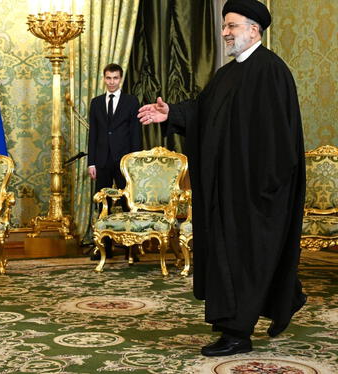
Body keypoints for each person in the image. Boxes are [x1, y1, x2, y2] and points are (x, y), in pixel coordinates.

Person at [138, 0, 306, 357]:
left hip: (255, 192)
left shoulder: (272, 71)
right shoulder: (227, 73)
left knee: (247, 258)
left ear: (254, 30)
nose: (225, 32)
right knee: (231, 258)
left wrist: (262, 186)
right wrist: (172, 114)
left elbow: (280, 137)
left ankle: (238, 333)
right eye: (225, 26)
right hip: (225, 189)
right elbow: (203, 113)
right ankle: (279, 302)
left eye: (232, 26)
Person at [87, 63, 142, 260]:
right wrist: (91, 162)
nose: (111, 82)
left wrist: (133, 161)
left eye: (115, 78)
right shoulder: (96, 102)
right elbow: (93, 133)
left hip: (124, 161)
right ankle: (104, 248)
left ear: (120, 79)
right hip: (101, 160)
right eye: (108, 78)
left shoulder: (131, 101)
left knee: (129, 203)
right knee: (103, 204)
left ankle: (131, 249)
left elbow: (136, 132)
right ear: (104, 78)